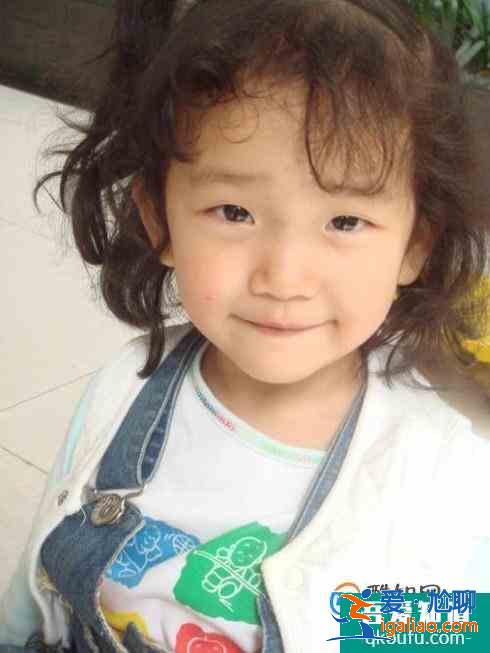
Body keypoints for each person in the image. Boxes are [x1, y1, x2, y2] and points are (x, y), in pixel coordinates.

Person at [1, 1, 490, 651]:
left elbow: (456, 626)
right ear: (160, 219)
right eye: (234, 212)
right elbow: (35, 581)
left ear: (414, 245)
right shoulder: (125, 389)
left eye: (345, 221)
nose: (284, 277)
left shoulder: (440, 472)